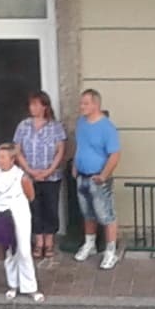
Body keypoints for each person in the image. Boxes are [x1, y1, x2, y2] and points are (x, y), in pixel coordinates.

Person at [12, 90, 67, 260]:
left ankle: (49, 242)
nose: (33, 107)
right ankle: (38, 242)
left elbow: (60, 150)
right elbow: (17, 150)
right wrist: (29, 170)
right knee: (34, 208)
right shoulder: (23, 126)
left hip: (51, 176)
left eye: (36, 104)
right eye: (31, 104)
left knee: (50, 207)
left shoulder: (55, 126)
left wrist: (49, 170)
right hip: (30, 176)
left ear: (44, 106)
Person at [75, 88, 124, 267]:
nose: (82, 106)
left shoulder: (107, 128)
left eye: (86, 103)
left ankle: (110, 251)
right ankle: (90, 244)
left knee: (106, 214)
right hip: (82, 175)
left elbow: (115, 154)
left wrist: (104, 175)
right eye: (81, 103)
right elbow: (80, 146)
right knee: (87, 213)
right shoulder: (81, 123)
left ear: (96, 104)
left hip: (98, 178)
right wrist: (75, 166)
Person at [0, 139, 40, 300]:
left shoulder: (22, 177)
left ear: (12, 159)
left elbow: (30, 196)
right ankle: (13, 284)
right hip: (3, 215)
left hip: (20, 215)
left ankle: (30, 286)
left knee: (24, 251)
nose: (0, 161)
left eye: (3, 157)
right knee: (8, 251)